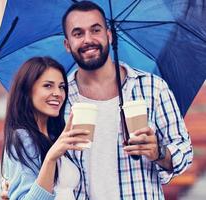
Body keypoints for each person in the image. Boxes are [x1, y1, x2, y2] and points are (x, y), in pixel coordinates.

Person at [62, 1, 193, 199]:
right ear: (67, 45)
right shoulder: (60, 98)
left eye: (95, 30)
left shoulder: (152, 87)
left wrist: (159, 152)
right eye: (78, 33)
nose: (88, 39)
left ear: (109, 35)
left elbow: (185, 151)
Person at [0, 56, 90, 200]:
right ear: (28, 90)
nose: (58, 93)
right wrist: (50, 159)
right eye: (48, 85)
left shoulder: (55, 136)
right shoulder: (22, 137)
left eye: (61, 87)